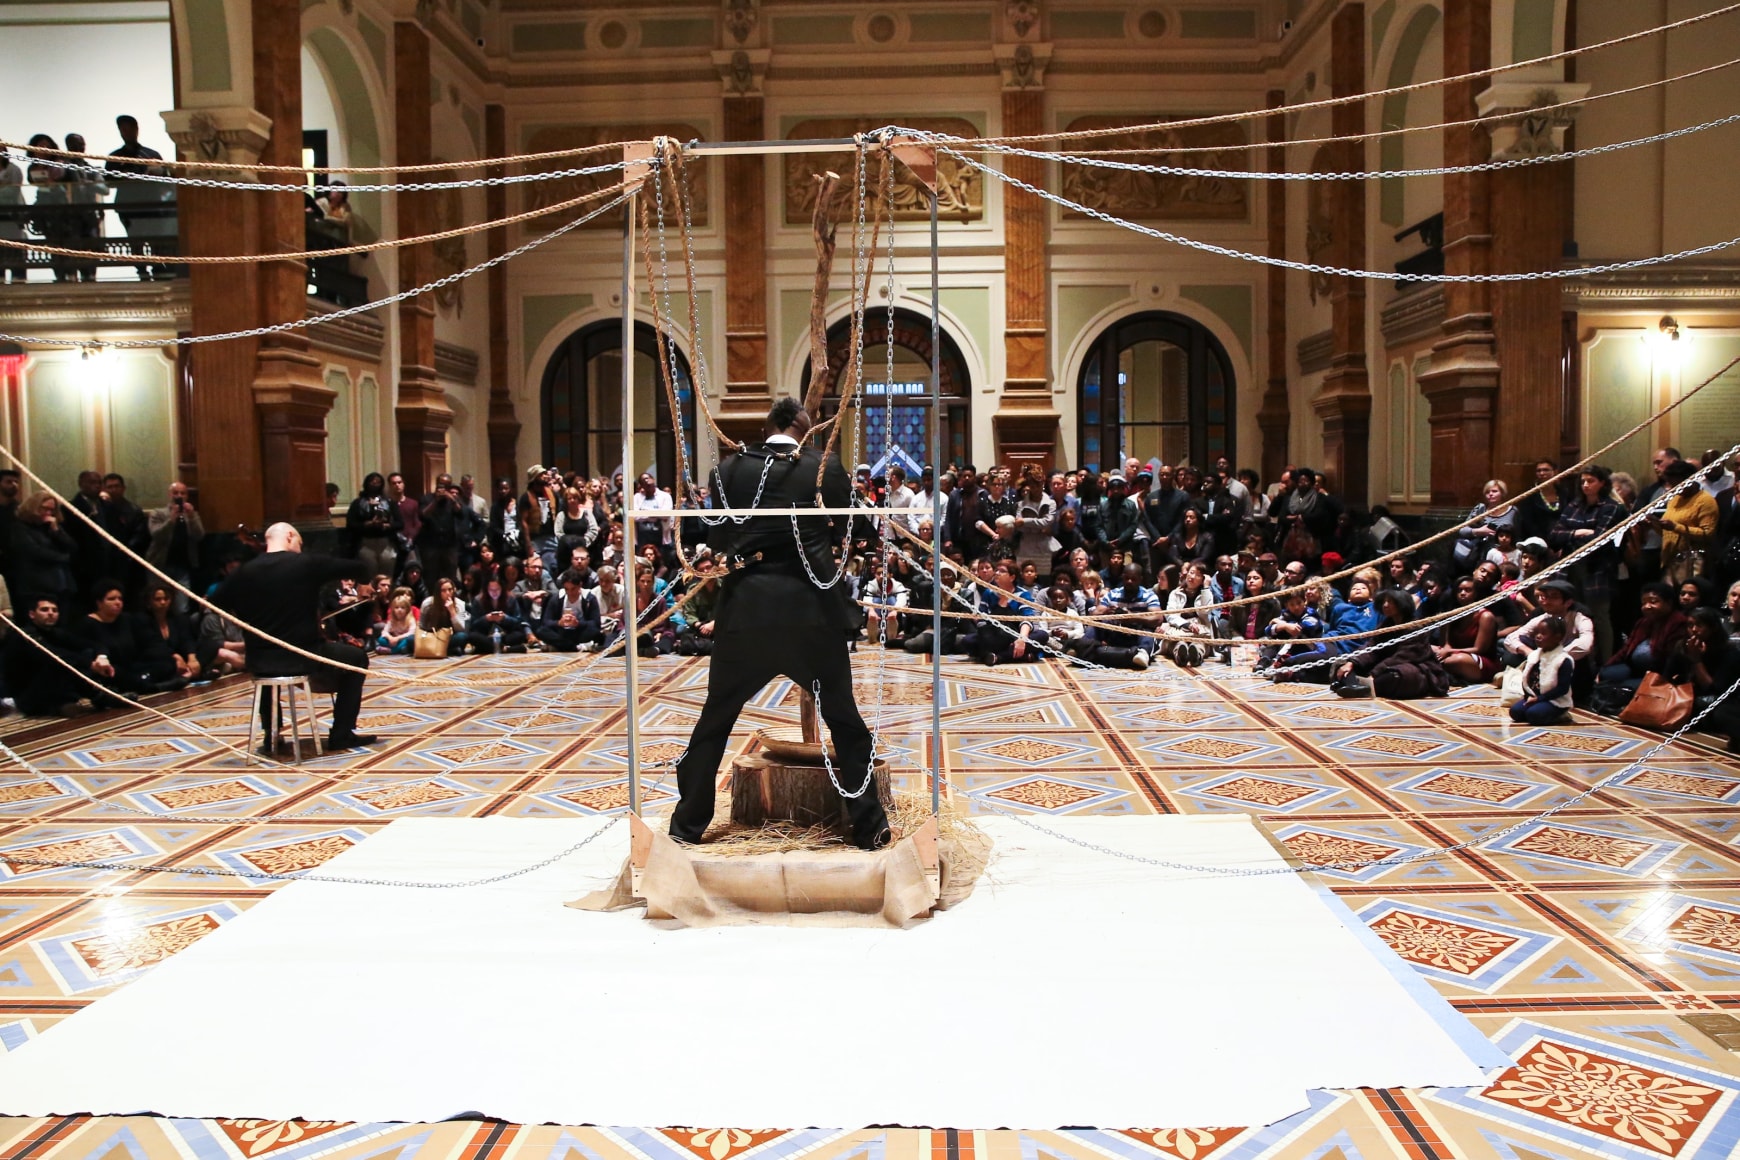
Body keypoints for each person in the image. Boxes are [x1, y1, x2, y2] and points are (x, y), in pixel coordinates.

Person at [669, 396, 891, 850]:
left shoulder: (727, 471)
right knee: (844, 721)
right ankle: (870, 828)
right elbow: (862, 531)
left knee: (716, 719)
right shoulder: (822, 466)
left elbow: (719, 537)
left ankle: (686, 826)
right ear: (799, 424)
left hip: (745, 612)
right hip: (810, 612)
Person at [213, 523, 379, 752]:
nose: (301, 548)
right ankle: (341, 733)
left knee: (267, 669)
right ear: (290, 536)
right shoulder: (305, 564)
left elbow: (215, 602)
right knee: (357, 658)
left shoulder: (244, 572)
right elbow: (359, 567)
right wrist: (363, 584)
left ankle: (272, 736)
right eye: (300, 543)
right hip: (305, 656)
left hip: (259, 660)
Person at [1, 594, 106, 715]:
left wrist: (102, 658)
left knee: (86, 653)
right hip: (26, 695)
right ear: (32, 614)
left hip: (51, 688)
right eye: (44, 610)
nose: (51, 613)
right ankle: (98, 697)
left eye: (54, 610)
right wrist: (90, 664)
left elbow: (94, 645)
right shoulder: (24, 635)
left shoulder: (55, 632)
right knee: (60, 662)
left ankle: (100, 694)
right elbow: (51, 655)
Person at [104, 114, 169, 280]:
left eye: (129, 128)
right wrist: (125, 176)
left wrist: (156, 172)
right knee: (135, 239)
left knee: (156, 238)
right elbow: (108, 182)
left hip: (152, 203)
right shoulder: (115, 157)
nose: (126, 132)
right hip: (129, 206)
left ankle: (158, 268)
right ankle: (141, 271)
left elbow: (166, 178)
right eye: (122, 129)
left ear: (136, 129)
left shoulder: (151, 154)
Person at [146, 482, 203, 610]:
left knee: (182, 607)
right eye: (176, 493)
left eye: (183, 493)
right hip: (160, 565)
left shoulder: (191, 514)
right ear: (170, 494)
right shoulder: (158, 513)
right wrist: (171, 519)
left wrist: (192, 516)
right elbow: (156, 534)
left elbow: (199, 535)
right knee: (158, 604)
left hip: (183, 566)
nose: (179, 495)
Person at [1510, 615, 1576, 726]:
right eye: (1537, 633)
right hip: (1534, 697)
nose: (1538, 636)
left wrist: (1539, 699)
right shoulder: (1534, 655)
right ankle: (1540, 709)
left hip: (1554, 700)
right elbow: (1527, 678)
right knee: (1515, 712)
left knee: (1534, 715)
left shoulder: (1563, 660)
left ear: (1557, 637)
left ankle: (1561, 715)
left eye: (1543, 633)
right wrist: (1529, 695)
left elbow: (1562, 689)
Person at [346, 473, 401, 577]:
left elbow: (400, 523)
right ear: (367, 483)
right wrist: (367, 524)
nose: (375, 484)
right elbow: (351, 524)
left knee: (387, 576)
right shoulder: (358, 503)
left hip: (386, 542)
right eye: (372, 482)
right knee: (369, 575)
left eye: (378, 482)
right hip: (366, 543)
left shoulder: (389, 502)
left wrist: (387, 525)